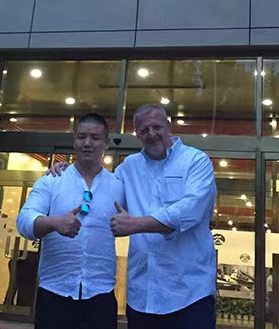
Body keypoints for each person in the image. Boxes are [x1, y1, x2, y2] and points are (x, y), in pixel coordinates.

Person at [50, 103, 218, 328]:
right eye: (144, 130)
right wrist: (70, 172)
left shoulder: (195, 161)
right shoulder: (128, 167)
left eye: (156, 127)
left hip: (190, 295)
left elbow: (189, 211)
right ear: (137, 134)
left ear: (168, 126)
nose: (151, 134)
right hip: (142, 296)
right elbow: (99, 194)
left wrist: (136, 224)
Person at [16, 113, 125, 329]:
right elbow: (24, 221)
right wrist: (54, 223)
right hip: (55, 294)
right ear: (74, 140)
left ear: (106, 143)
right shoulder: (52, 180)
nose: (87, 143)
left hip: (101, 295)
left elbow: (138, 219)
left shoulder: (118, 186)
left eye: (95, 138)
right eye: (81, 137)